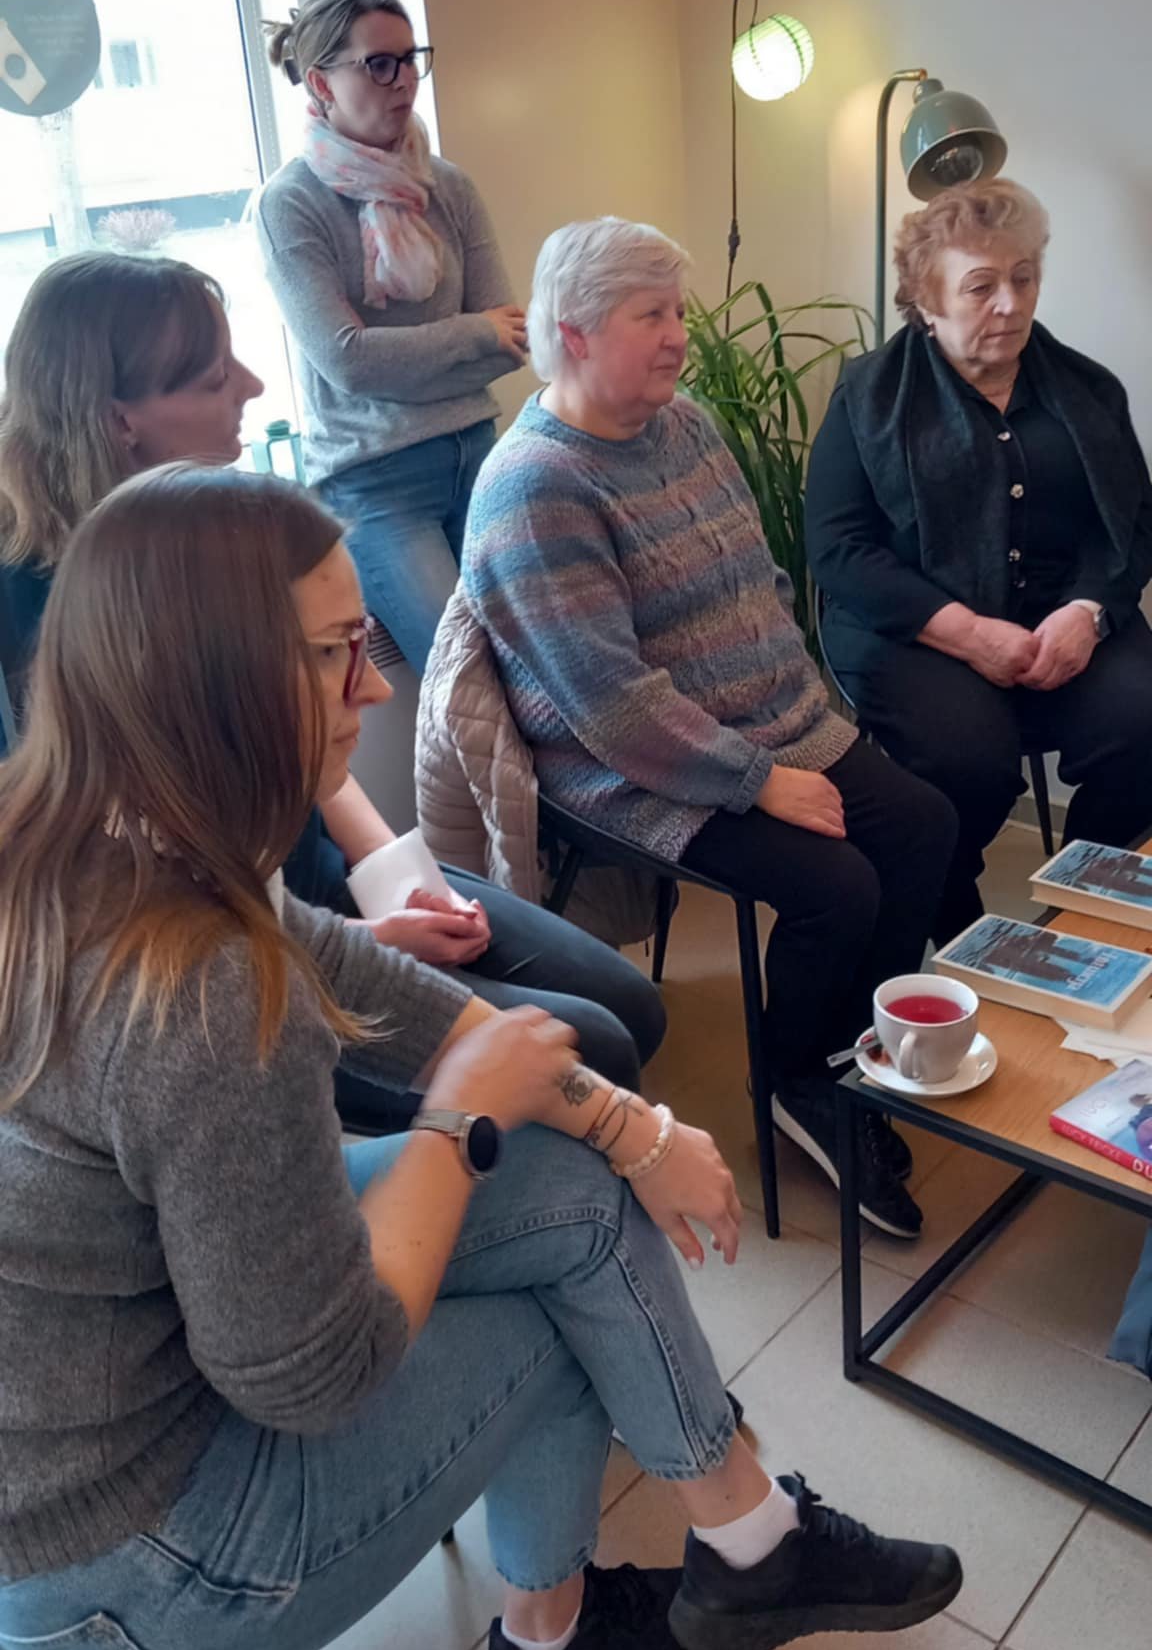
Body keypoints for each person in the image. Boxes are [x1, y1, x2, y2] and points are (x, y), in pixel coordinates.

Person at [0, 467, 963, 1650]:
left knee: (575, 1180)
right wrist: (456, 1120)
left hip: (114, 1380)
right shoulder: (199, 989)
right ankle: (623, 1604)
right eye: (341, 652)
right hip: (130, 1565)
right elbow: (316, 1373)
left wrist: (634, 1126)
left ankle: (730, 1548)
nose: (375, 689)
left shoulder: (100, 828)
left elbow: (361, 972)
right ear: (221, 682)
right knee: (566, 1310)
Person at [0, 254, 665, 1103]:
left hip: (318, 884)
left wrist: (397, 877)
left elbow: (318, 748)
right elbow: (126, 909)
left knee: (628, 1006)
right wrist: (367, 944)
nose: (252, 386)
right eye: (214, 379)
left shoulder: (226, 529)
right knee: (592, 1049)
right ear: (119, 420)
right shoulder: (28, 612)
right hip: (226, 950)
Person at [462, 217, 960, 1241]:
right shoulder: (535, 486)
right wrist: (758, 780)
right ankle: (796, 1082)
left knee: (924, 825)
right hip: (627, 768)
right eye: (652, 315)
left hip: (768, 722)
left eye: (677, 310)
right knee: (838, 886)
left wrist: (800, 722)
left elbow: (759, 581)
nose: (679, 335)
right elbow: (611, 706)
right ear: (575, 334)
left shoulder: (682, 424)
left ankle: (850, 1049)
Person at [807, 179, 1152, 941]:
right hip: (916, 629)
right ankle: (959, 928)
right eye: (982, 286)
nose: (1010, 303)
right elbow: (839, 550)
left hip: (1062, 618)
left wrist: (1087, 613)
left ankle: (1084, 920)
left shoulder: (1087, 389)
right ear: (926, 303)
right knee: (967, 762)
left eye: (1024, 279)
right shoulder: (867, 398)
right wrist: (966, 633)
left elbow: (1130, 522)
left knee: (1143, 722)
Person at [257, 0, 526, 672]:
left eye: (410, 58)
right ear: (321, 83)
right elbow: (349, 362)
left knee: (539, 658)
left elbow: (513, 341)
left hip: (480, 453)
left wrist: (407, 360)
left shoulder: (447, 184)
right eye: (379, 63)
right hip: (376, 483)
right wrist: (472, 334)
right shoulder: (289, 204)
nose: (404, 79)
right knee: (469, 678)